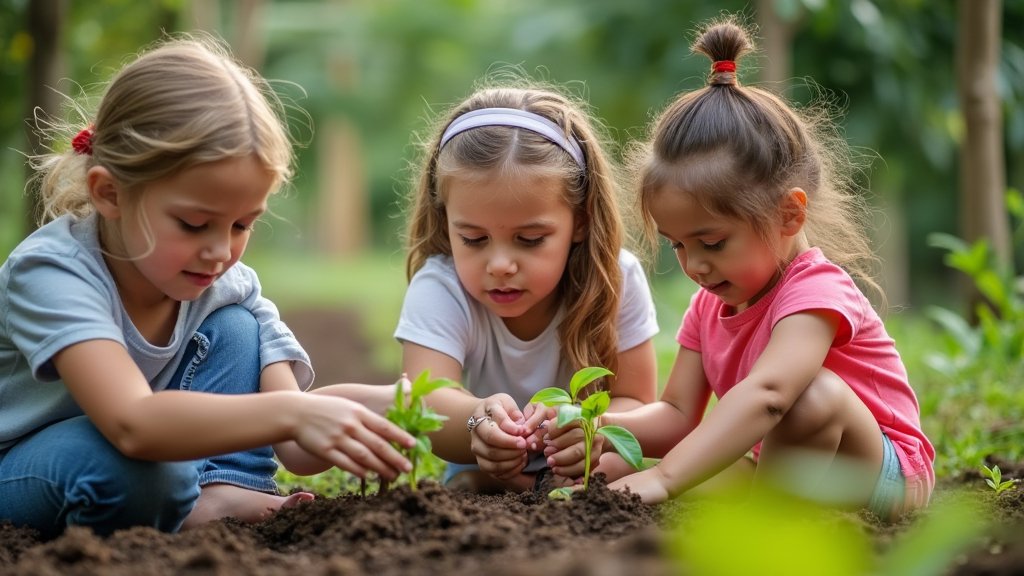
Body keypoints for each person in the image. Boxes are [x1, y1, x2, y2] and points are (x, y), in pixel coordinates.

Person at [0, 34, 415, 540]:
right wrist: (294, 411)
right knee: (151, 469)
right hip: (23, 464)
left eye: (242, 225)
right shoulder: (52, 272)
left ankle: (221, 490)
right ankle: (178, 502)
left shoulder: (227, 286)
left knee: (237, 327)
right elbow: (134, 423)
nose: (221, 251)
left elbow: (295, 446)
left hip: (155, 452)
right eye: (195, 224)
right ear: (110, 193)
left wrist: (393, 405)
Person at [603, 17, 934, 519]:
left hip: (879, 475)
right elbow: (675, 415)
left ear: (788, 214)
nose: (695, 264)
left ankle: (768, 533)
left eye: (711, 242)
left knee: (811, 395)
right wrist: (592, 425)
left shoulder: (817, 292)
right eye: (677, 246)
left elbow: (772, 396)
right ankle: (767, 509)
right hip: (774, 466)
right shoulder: (709, 305)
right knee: (616, 469)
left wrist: (667, 477)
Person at [394, 77, 660, 492]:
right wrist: (477, 423)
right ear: (446, 220)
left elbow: (638, 401)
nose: (500, 265)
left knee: (621, 477)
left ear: (581, 220)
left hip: (589, 467)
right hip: (485, 467)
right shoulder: (440, 288)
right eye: (474, 239)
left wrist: (592, 431)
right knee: (469, 483)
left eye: (531, 239)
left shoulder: (616, 277)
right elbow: (427, 399)